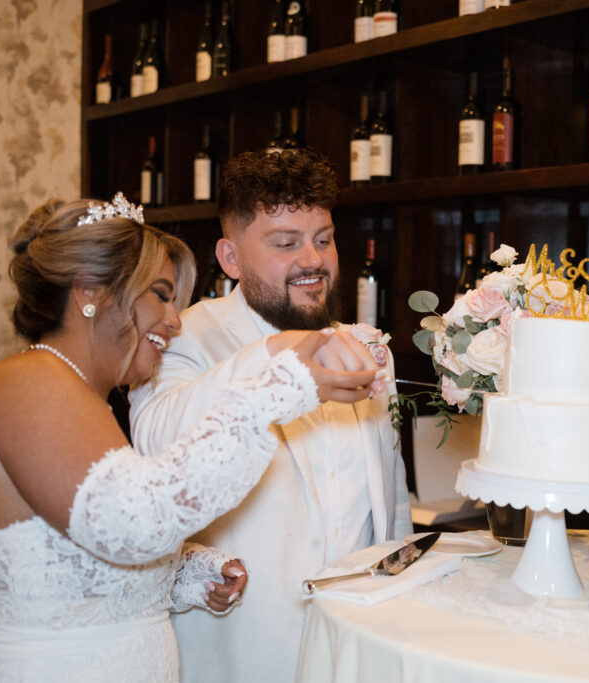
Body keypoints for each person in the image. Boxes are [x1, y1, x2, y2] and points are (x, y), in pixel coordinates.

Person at [0, 193, 385, 681]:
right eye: (159, 293)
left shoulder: (80, 396)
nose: (175, 320)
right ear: (90, 292)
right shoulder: (27, 384)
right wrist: (275, 389)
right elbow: (134, 525)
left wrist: (186, 573)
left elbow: (76, 557)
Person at [129, 149, 412, 682]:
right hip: (241, 648)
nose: (313, 260)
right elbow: (154, 441)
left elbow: (388, 501)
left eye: (323, 239)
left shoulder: (366, 347)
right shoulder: (183, 337)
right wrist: (275, 354)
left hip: (353, 644)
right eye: (286, 243)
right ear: (231, 258)